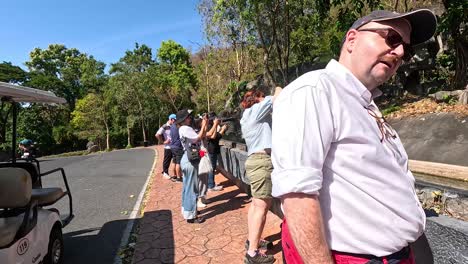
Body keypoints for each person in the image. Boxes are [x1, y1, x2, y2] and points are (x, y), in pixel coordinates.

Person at [271, 9, 437, 264]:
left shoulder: (364, 104)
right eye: (392, 38)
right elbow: (297, 196)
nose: (401, 52)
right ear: (351, 40)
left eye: (406, 48)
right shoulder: (314, 91)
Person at [240, 87, 282, 264]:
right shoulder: (256, 110)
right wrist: (278, 88)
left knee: (255, 204)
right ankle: (252, 253)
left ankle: (253, 240)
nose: (265, 98)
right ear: (257, 99)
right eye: (262, 97)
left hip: (253, 160)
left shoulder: (245, 116)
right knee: (261, 207)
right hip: (262, 161)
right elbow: (278, 95)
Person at [176, 109, 208, 224]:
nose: (190, 118)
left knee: (187, 186)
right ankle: (191, 216)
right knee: (192, 187)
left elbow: (202, 135)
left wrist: (205, 125)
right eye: (188, 117)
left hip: (188, 158)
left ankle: (189, 210)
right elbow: (197, 138)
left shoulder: (183, 129)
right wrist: (203, 124)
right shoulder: (185, 128)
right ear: (184, 119)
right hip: (190, 159)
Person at [206, 112, 228, 192]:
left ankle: (210, 184)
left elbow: (216, 136)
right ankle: (211, 185)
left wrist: (222, 129)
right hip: (211, 150)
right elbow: (213, 136)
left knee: (212, 167)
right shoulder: (209, 126)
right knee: (211, 168)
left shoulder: (211, 126)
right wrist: (222, 129)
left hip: (213, 149)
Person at [155, 114, 176, 179]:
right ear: (171, 119)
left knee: (175, 161)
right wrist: (163, 142)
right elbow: (157, 135)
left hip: (174, 146)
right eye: (175, 120)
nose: (175, 121)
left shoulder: (174, 126)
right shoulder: (164, 126)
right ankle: (165, 173)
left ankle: (177, 174)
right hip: (168, 147)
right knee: (167, 160)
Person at [169, 113, 185, 182]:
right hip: (178, 146)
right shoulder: (177, 126)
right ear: (173, 119)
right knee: (178, 162)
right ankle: (179, 177)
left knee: (174, 161)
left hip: (172, 146)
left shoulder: (171, 126)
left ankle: (175, 175)